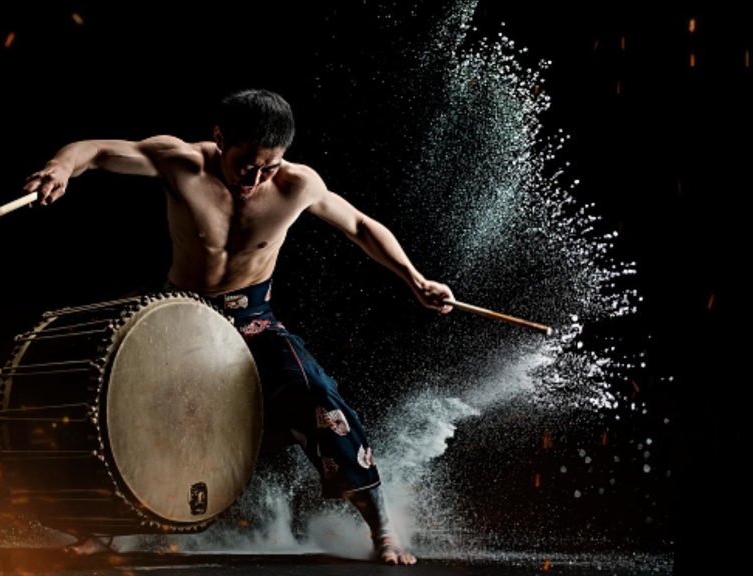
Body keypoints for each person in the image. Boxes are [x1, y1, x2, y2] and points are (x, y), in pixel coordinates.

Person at [23, 88, 454, 566]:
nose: (255, 178)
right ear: (219, 138)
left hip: (253, 319)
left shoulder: (298, 185)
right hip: (179, 315)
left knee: (318, 395)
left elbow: (359, 226)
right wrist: (60, 168)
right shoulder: (180, 162)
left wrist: (415, 279)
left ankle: (382, 530)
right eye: (246, 164)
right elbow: (97, 151)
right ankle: (107, 530)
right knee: (126, 411)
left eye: (269, 166)